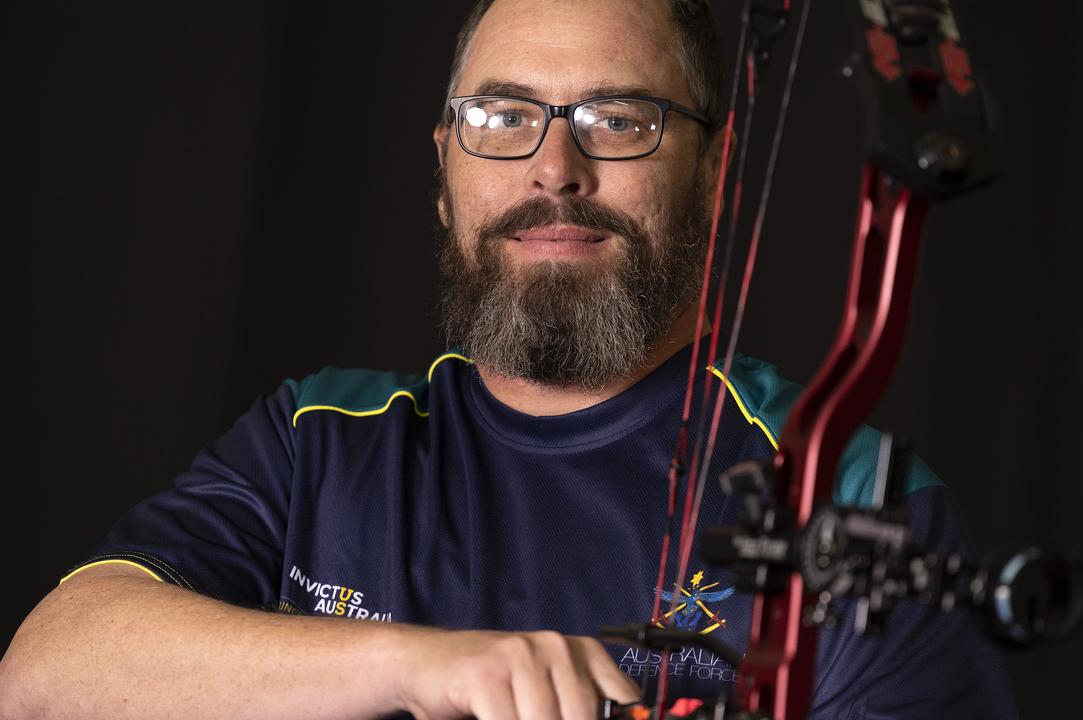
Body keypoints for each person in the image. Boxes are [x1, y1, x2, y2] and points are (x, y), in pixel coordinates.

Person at [0, 1, 1017, 718]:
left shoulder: (847, 494)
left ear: (715, 174)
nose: (553, 169)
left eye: (618, 121)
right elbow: (46, 676)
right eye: (502, 118)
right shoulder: (318, 441)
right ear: (443, 169)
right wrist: (429, 669)